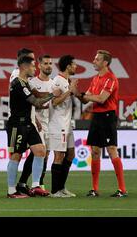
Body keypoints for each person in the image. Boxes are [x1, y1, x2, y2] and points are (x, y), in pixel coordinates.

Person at [6, 55, 61, 198]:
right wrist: (52, 95)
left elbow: (35, 98)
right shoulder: (18, 83)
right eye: (32, 66)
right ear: (24, 67)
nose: (35, 69)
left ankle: (36, 185)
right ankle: (11, 191)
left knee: (40, 150)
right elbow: (36, 102)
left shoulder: (26, 83)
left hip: (28, 124)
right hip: (17, 124)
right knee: (16, 156)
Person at [75, 50, 127, 197]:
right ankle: (94, 189)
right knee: (95, 151)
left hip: (107, 117)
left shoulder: (110, 79)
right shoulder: (95, 79)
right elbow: (87, 99)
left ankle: (122, 189)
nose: (94, 61)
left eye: (97, 59)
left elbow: (101, 99)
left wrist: (87, 96)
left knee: (111, 150)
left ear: (105, 63)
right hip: (96, 117)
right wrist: (76, 92)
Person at [17, 55, 54, 192]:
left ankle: (37, 183)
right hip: (35, 123)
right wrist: (36, 120)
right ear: (39, 65)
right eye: (45, 63)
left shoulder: (54, 83)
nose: (48, 66)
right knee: (37, 152)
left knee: (45, 154)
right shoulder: (32, 82)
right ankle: (29, 183)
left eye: (50, 63)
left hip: (50, 123)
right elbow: (32, 103)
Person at [49, 55, 78, 197]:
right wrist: (70, 91)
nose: (76, 67)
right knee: (59, 156)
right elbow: (54, 102)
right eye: (74, 64)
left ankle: (61, 187)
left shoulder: (68, 81)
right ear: (68, 66)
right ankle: (55, 191)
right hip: (58, 123)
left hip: (67, 124)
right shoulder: (57, 81)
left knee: (71, 155)